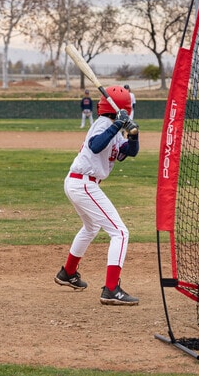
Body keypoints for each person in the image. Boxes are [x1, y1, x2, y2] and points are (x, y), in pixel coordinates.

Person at [55, 85, 141, 305]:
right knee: (120, 233)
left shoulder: (112, 126)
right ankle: (111, 289)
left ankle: (68, 273)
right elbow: (95, 146)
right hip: (83, 183)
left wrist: (133, 135)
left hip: (79, 182)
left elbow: (129, 152)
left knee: (91, 228)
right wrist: (119, 125)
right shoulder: (103, 124)